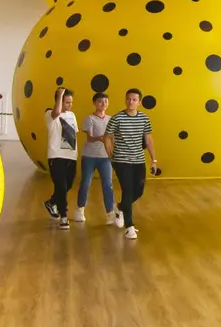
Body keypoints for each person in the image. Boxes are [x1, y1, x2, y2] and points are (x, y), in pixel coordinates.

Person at [106, 87, 157, 240]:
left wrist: (154, 160)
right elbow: (107, 137)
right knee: (127, 190)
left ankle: (120, 207)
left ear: (139, 102)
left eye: (134, 99)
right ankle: (129, 227)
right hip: (121, 160)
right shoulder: (117, 118)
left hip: (138, 160)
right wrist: (111, 156)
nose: (130, 102)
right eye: (128, 99)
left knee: (139, 191)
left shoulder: (144, 118)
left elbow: (148, 139)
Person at [77, 91, 118, 225]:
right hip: (89, 156)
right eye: (100, 101)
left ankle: (110, 213)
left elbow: (112, 138)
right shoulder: (89, 119)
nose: (103, 104)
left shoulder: (111, 119)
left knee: (108, 185)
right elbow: (89, 138)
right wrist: (101, 138)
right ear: (95, 103)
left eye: (106, 101)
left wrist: (114, 149)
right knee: (86, 183)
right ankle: (80, 209)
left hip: (105, 157)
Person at [43, 87, 79, 228]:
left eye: (71, 102)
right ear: (59, 101)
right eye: (67, 102)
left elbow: (74, 135)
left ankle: (52, 202)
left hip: (71, 156)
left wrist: (76, 153)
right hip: (56, 155)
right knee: (61, 186)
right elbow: (56, 112)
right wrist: (60, 94)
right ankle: (64, 216)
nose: (69, 105)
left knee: (68, 185)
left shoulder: (72, 115)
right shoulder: (49, 114)